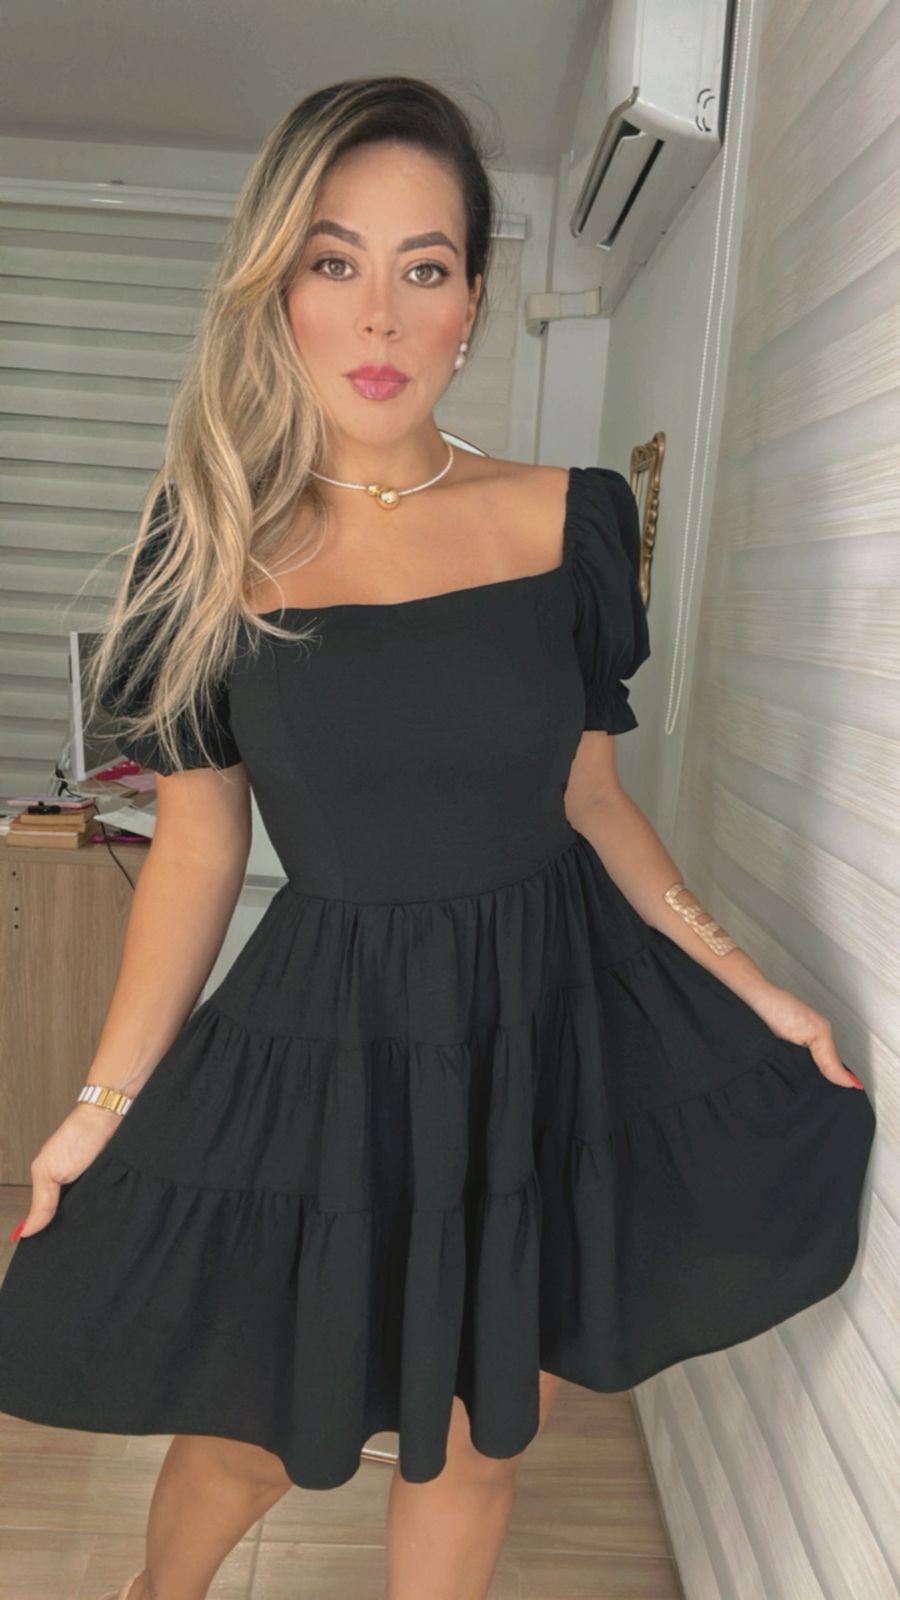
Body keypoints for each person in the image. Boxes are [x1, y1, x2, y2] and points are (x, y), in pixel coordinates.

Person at [0, 74, 875, 1600]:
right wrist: (98, 1103)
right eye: (334, 262)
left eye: (425, 268)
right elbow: (198, 855)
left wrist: (749, 983)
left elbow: (591, 799)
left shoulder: (573, 521)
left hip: (534, 1021)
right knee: (261, 1416)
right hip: (329, 1038)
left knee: (476, 1429)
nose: (380, 316)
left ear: (473, 299)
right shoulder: (207, 549)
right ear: (277, 290)